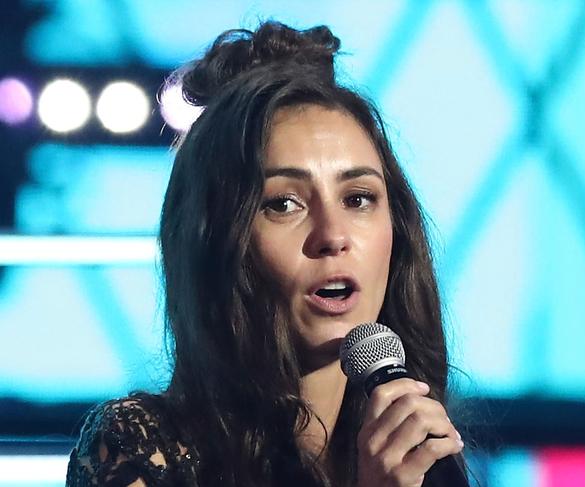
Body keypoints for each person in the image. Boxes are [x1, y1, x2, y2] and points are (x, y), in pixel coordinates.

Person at [66, 20, 471, 487]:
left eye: (358, 199)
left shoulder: (420, 454)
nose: (333, 236)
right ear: (218, 242)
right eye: (284, 204)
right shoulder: (141, 449)